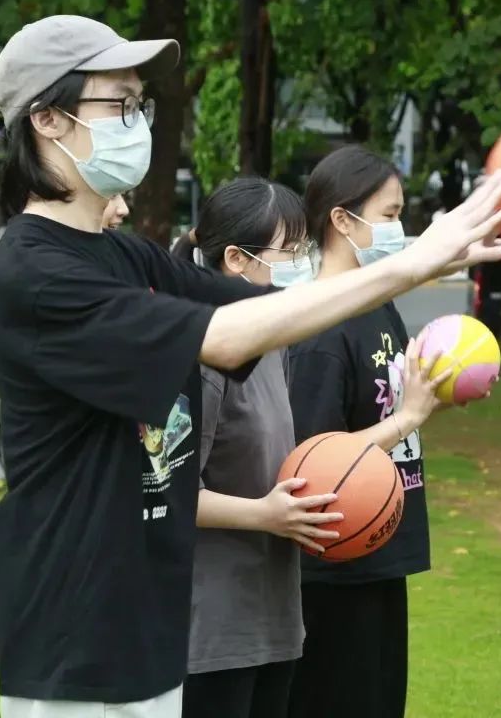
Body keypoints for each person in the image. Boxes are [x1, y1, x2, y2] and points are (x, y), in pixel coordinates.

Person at [0, 14, 501, 717]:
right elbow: (226, 336)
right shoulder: (34, 272)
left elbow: (271, 306)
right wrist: (412, 264)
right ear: (48, 119)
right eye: (120, 104)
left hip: (148, 619)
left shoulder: (123, 255)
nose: (137, 122)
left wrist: (412, 267)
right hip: (79, 631)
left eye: (142, 105)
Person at [286, 145, 475, 718]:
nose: (402, 230)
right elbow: (309, 467)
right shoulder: (323, 329)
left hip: (381, 553)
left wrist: (430, 395)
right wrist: (406, 419)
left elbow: (378, 413)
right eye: (390, 216)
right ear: (343, 220)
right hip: (336, 572)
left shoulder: (377, 306)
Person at [176, 178, 352, 718]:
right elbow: (170, 492)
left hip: (273, 612)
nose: (301, 263)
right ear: (236, 258)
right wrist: (265, 514)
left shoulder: (267, 343)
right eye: (290, 251)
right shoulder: (203, 354)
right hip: (211, 629)